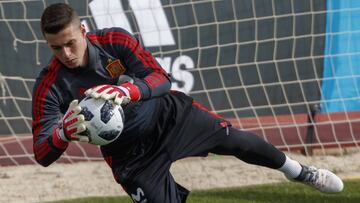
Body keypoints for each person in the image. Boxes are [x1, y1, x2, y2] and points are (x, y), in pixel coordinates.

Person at [32, 3, 343, 203]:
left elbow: (161, 78)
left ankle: (299, 172)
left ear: (83, 30)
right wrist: (63, 133)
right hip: (131, 157)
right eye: (56, 48)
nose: (66, 54)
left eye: (70, 43)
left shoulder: (115, 40)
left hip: (169, 117)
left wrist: (129, 92)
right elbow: (41, 152)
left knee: (238, 141)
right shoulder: (50, 84)